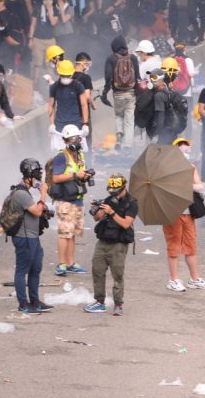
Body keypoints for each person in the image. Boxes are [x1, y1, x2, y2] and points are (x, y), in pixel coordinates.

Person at [163, 138, 205, 293]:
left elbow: (200, 187)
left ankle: (194, 279)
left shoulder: (190, 168)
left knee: (191, 246)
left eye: (185, 145)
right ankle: (174, 280)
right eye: (180, 146)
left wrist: (190, 185)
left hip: (188, 213)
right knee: (174, 247)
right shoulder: (167, 169)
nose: (184, 148)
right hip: (173, 213)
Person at [84, 173, 137, 315]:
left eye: (117, 191)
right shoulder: (109, 199)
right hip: (103, 241)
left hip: (119, 244)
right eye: (112, 191)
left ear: (123, 188)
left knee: (117, 275)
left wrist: (112, 212)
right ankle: (99, 302)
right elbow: (97, 218)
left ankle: (118, 304)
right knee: (97, 271)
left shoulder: (132, 203)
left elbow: (126, 224)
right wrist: (98, 208)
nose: (114, 194)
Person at [47, 125, 92, 277]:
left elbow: (80, 173)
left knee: (72, 233)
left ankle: (71, 263)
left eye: (77, 138)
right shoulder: (61, 156)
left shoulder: (80, 155)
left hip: (78, 199)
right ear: (65, 140)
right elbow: (56, 177)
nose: (76, 141)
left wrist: (85, 175)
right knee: (64, 233)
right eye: (73, 139)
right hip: (65, 200)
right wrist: (75, 175)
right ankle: (61, 264)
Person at [10, 158, 52, 314]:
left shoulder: (26, 192)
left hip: (33, 237)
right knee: (22, 271)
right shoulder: (21, 193)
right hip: (24, 238)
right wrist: (43, 194)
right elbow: (36, 211)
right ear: (28, 174)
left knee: (35, 269)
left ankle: (35, 301)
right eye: (36, 173)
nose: (38, 176)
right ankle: (23, 303)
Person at [100, 35, 140, 149]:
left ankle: (119, 134)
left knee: (118, 115)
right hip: (131, 93)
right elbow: (137, 77)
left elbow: (108, 79)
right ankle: (128, 145)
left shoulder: (111, 59)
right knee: (129, 119)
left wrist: (104, 94)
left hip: (117, 93)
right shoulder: (133, 58)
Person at [47, 59, 90, 152]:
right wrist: (51, 124)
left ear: (71, 74)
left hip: (76, 124)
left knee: (78, 152)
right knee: (61, 153)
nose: (65, 77)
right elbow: (51, 106)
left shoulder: (78, 86)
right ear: (59, 74)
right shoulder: (54, 87)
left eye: (67, 75)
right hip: (60, 125)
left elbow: (84, 105)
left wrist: (85, 124)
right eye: (63, 75)